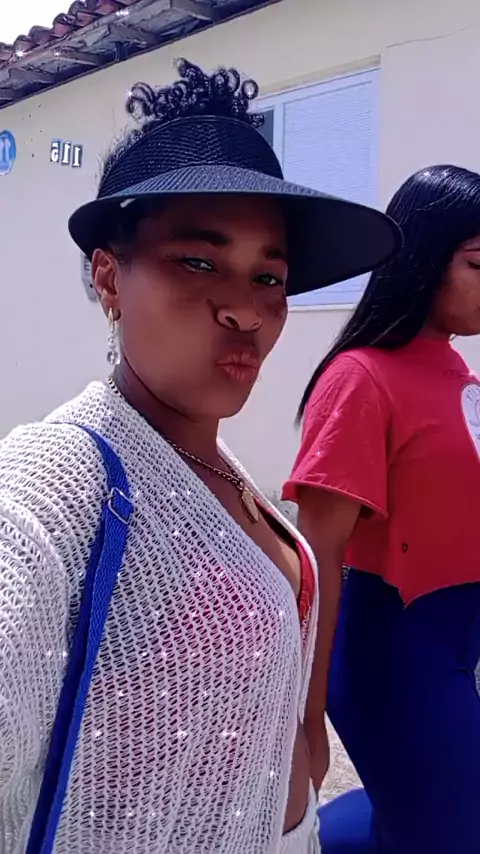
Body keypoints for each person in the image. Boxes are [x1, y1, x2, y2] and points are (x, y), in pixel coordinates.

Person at [0, 59, 399, 854]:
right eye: (197, 261)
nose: (247, 310)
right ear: (109, 279)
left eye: (270, 275)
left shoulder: (221, 468)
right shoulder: (58, 484)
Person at [283, 164, 480, 854]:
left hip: (456, 642)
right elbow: (318, 556)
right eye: (479, 264)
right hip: (393, 655)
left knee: (429, 818)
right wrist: (306, 715)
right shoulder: (361, 379)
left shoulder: (460, 376)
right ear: (424, 258)